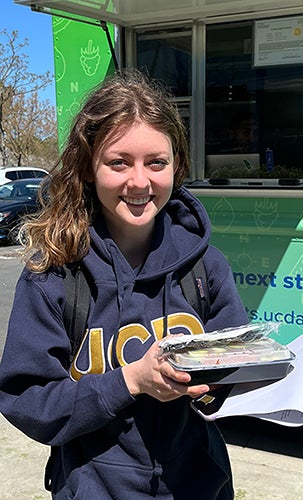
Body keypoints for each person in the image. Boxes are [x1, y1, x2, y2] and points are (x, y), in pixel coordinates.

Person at [0, 69, 248, 499]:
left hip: (199, 486)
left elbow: (230, 372)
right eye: (118, 162)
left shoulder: (206, 266)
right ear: (89, 167)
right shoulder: (54, 273)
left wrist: (233, 383)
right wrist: (129, 380)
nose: (139, 182)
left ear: (178, 165)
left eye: (157, 162)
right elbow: (27, 400)